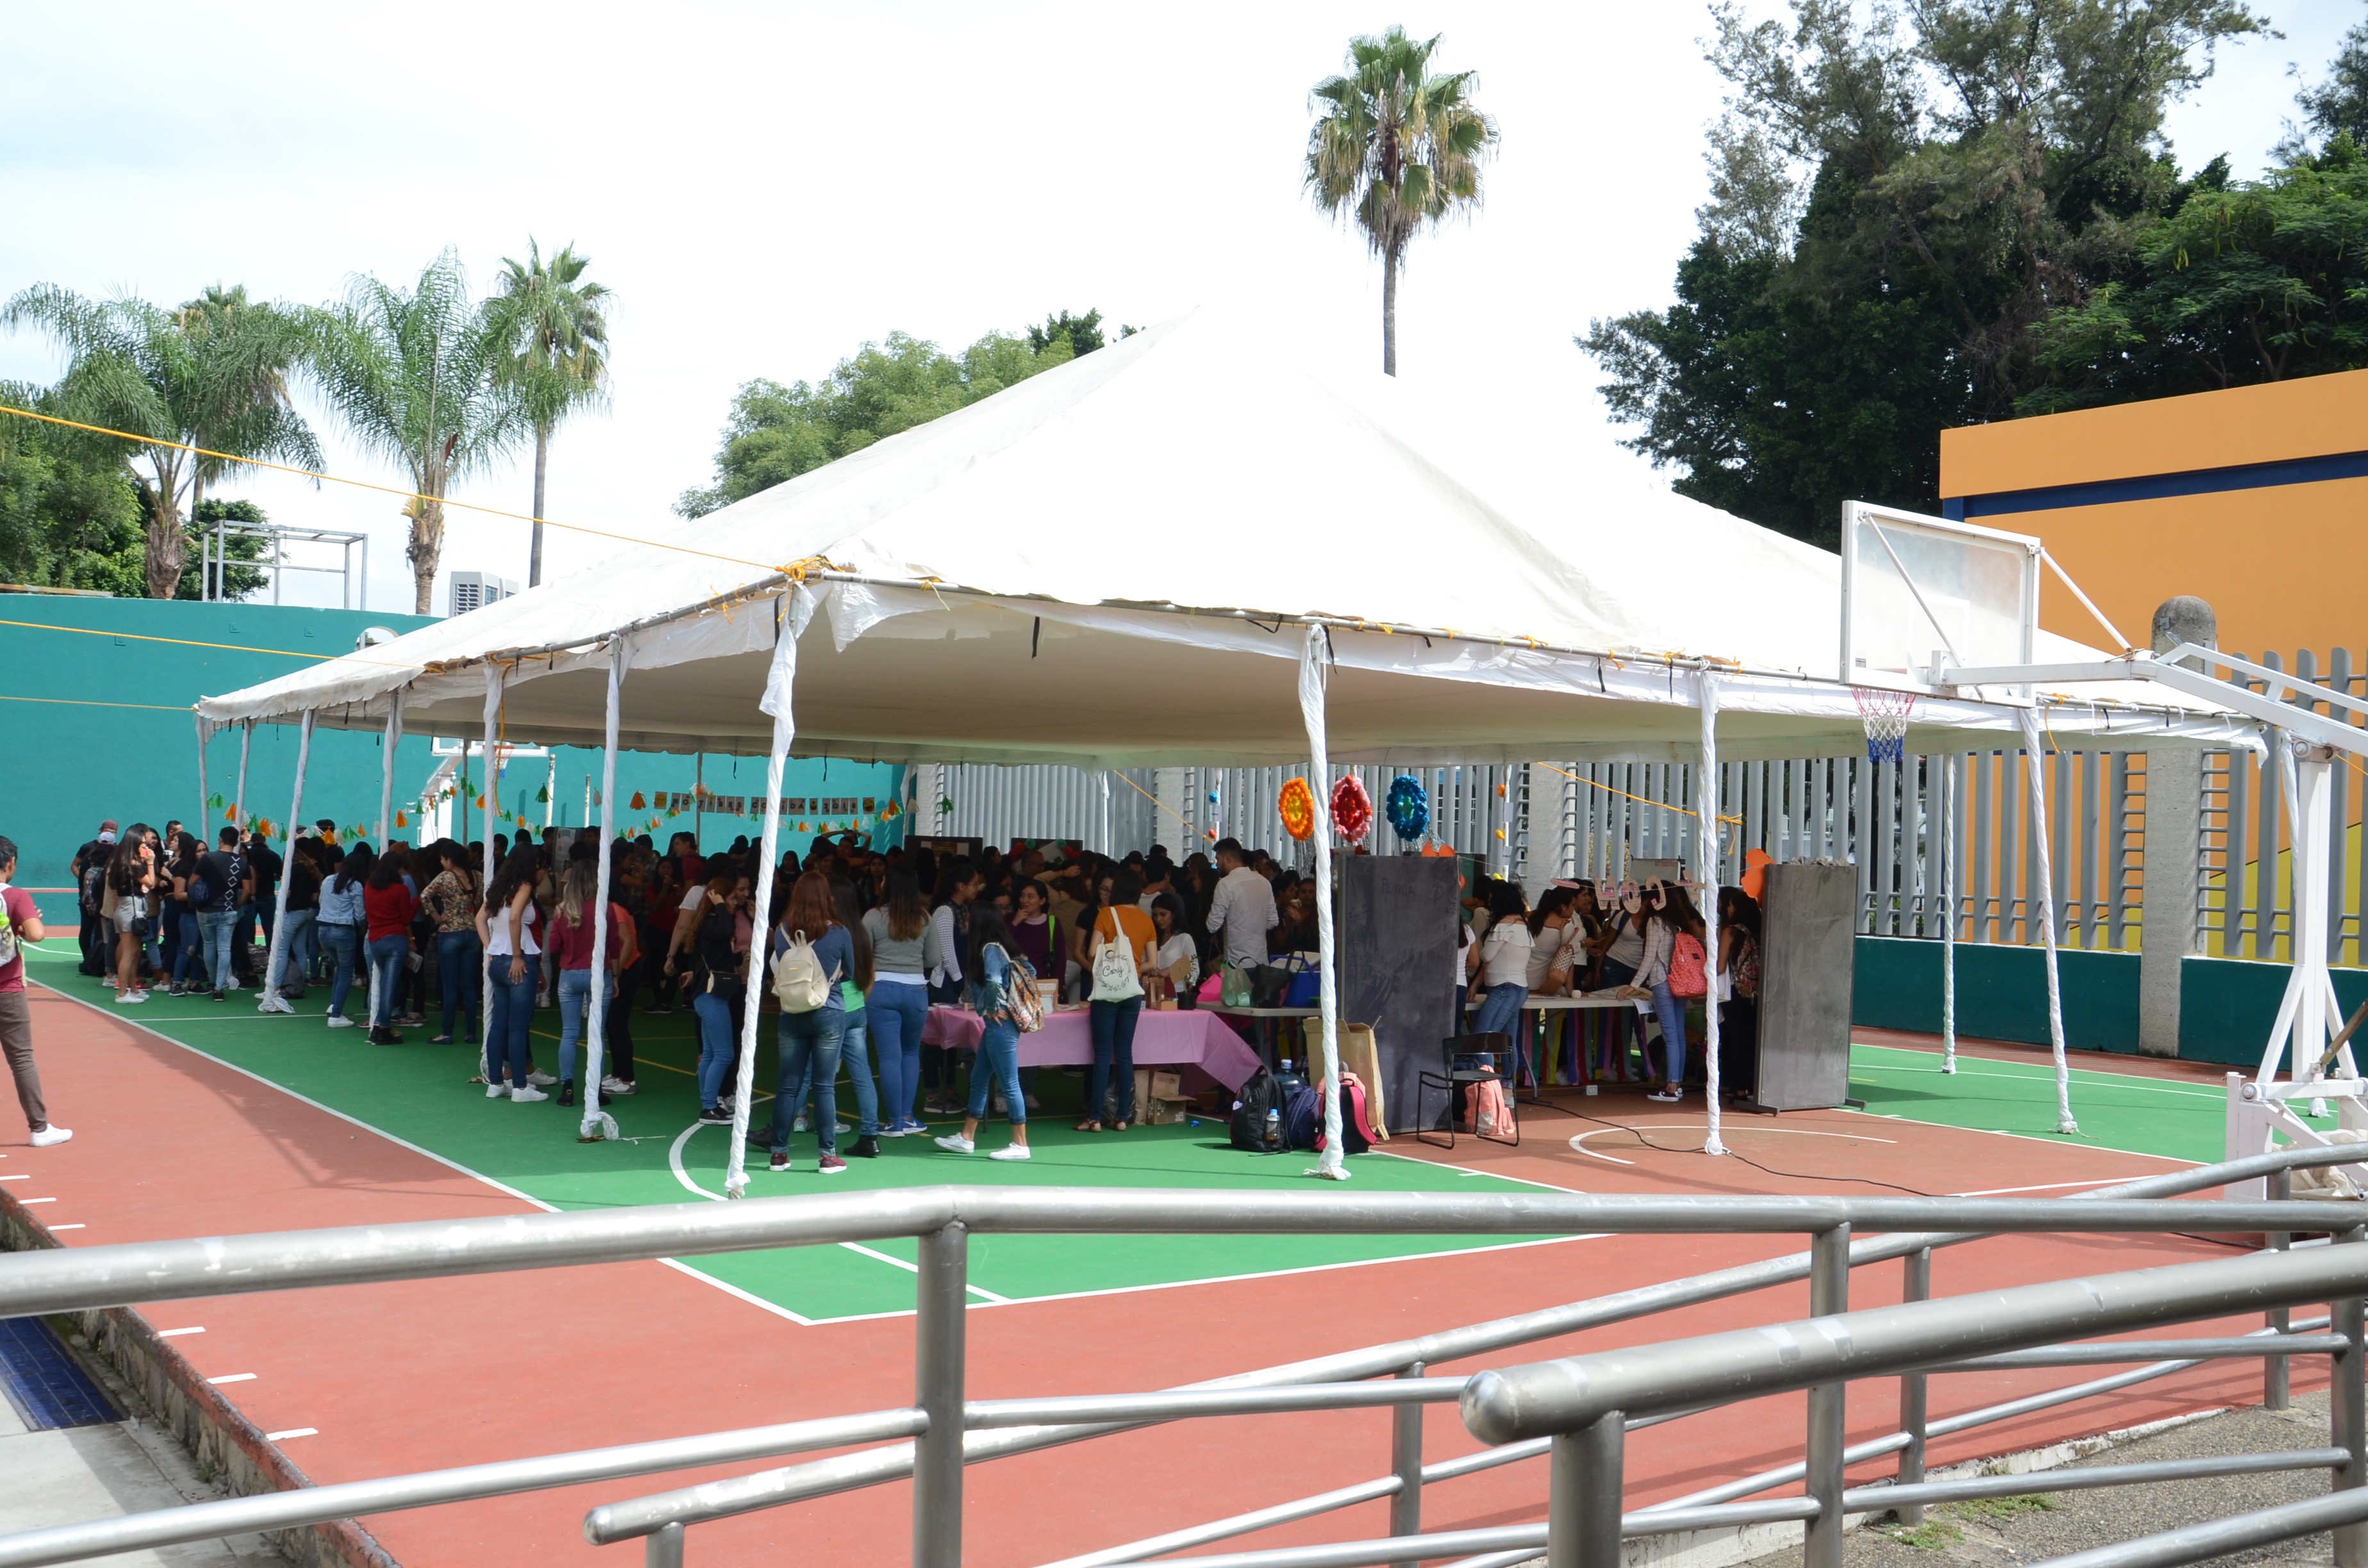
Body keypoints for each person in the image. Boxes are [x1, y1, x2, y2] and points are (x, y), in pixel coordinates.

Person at [766, 872, 855, 1175]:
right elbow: (852, 971)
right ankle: (827, 1156)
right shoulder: (839, 932)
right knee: (824, 1086)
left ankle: (779, 1153)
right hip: (829, 1009)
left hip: (791, 1012)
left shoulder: (782, 932)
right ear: (826, 896)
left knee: (788, 1086)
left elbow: (779, 967)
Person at [934, 903, 1032, 1161]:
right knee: (979, 1078)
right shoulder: (1004, 948)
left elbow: (993, 981)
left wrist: (991, 1008)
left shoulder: (989, 949)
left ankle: (1020, 1143)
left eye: (968, 917)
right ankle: (967, 1137)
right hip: (999, 1025)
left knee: (1009, 1082)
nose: (965, 922)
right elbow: (1029, 971)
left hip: (1000, 1025)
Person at [547, 858, 633, 1109]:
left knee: (569, 1033)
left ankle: (568, 1087)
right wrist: (616, 975)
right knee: (597, 1035)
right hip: (598, 973)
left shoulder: (563, 909)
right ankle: (594, 1089)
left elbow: (553, 946)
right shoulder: (604, 908)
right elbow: (614, 944)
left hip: (570, 973)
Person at [861, 872, 941, 1136]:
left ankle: (894, 1121)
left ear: (888, 885)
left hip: (882, 989)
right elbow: (933, 958)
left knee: (889, 1056)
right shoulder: (924, 918)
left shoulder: (873, 916)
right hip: (916, 989)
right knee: (910, 1053)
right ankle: (908, 1116)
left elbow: (863, 954)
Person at [0, 838, 67, 1147]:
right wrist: (23, 927)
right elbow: (37, 934)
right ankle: (39, 1128)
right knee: (22, 1059)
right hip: (7, 990)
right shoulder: (15, 896)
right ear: (11, 862)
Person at [1082, 868, 1156, 1132]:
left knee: (1102, 1055)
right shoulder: (1147, 921)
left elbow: (1092, 952)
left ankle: (1095, 1118)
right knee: (1125, 1054)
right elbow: (1154, 963)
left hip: (1106, 993)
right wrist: (1133, 967)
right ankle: (1124, 1117)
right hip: (1132, 993)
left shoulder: (1105, 914)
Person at [1626, 879, 1706, 1104]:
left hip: (1663, 981)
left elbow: (1650, 958)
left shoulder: (1656, 921)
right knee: (1679, 1035)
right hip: (1682, 982)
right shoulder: (1681, 922)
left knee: (1670, 1036)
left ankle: (1671, 1086)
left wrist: (1633, 985)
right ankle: (1677, 1083)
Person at [478, 844, 547, 1100]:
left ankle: (496, 1083)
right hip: (518, 959)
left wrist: (491, 948)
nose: (543, 870)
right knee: (518, 1028)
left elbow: (480, 920)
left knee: (499, 1025)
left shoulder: (498, 887)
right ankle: (520, 1086)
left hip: (497, 960)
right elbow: (516, 917)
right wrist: (517, 955)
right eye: (541, 865)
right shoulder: (525, 885)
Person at [678, 872, 746, 1126]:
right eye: (730, 897)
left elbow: (718, 958)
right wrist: (719, 903)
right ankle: (709, 1106)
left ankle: (708, 1103)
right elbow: (727, 930)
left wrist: (741, 959)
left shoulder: (705, 923)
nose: (734, 902)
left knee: (709, 1053)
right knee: (724, 1054)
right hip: (712, 997)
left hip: (707, 995)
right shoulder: (714, 921)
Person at [422, 840, 481, 1045]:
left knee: (449, 986)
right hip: (473, 933)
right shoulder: (477, 877)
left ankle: (447, 1032)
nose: (441, 862)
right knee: (469, 985)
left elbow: (425, 896)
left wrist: (438, 918)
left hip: (450, 932)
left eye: (443, 859)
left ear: (449, 860)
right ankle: (471, 1032)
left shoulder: (446, 877)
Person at [1472, 882, 1534, 1077]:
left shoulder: (1503, 925)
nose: (1490, 902)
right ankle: (1507, 1089)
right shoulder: (1522, 924)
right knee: (1508, 1041)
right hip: (1517, 987)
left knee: (1483, 1039)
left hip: (1502, 989)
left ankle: (1489, 1088)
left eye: (1492, 899)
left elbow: (1486, 957)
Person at [363, 847, 419, 1045]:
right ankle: (383, 1026)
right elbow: (406, 918)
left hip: (375, 938)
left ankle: (379, 1024)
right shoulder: (401, 889)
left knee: (384, 981)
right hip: (395, 938)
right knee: (391, 984)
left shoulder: (370, 885)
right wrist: (417, 902)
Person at [1203, 838, 1278, 974]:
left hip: (1235, 965)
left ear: (1227, 858)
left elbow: (1212, 925)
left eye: (1218, 859)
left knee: (1236, 996)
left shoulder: (1226, 884)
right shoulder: (1264, 882)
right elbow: (1274, 921)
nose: (1217, 864)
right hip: (1261, 960)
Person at [1716, 886, 1763, 1097]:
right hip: (1755, 990)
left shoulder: (1731, 930)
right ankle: (1752, 1084)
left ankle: (1738, 1085)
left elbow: (1720, 967)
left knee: (1735, 1039)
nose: (1728, 908)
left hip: (1735, 990)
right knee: (1751, 1038)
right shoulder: (1758, 929)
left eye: (1731, 905)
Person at [317, 844, 370, 1027]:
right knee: (346, 970)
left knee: (340, 967)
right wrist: (362, 927)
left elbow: (321, 902)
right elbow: (360, 914)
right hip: (344, 930)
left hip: (324, 930)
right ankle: (336, 1014)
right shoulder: (355, 886)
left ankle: (334, 1005)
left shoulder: (328, 880)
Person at [105, 826, 158, 1004]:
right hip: (131, 909)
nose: (146, 847)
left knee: (135, 951)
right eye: (143, 843)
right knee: (129, 953)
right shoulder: (133, 864)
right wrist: (150, 862)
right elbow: (151, 883)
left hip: (128, 907)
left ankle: (133, 990)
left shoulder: (122, 861)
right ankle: (122, 993)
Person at [275, 839, 322, 1000]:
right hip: (308, 912)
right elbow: (315, 896)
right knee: (301, 950)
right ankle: (299, 984)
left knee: (282, 950)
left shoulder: (293, 870)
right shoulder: (312, 869)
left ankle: (276, 986)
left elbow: (287, 894)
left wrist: (283, 886)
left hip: (294, 912)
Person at [71, 821, 115, 976]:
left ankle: (96, 961)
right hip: (92, 899)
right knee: (91, 930)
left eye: (113, 831)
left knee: (100, 933)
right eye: (107, 831)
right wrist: (86, 883)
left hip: (100, 900)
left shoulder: (114, 853)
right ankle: (90, 961)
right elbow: (75, 866)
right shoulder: (88, 848)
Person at [162, 833, 203, 997]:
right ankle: (175, 982)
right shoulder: (184, 868)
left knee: (199, 950)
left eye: (205, 850)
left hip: (202, 914)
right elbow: (179, 894)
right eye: (199, 851)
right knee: (186, 948)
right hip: (187, 913)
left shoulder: (204, 868)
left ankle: (195, 982)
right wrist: (200, 895)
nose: (203, 854)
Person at [1149, 892, 1200, 1004]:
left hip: (1177, 995)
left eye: (1163, 915)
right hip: (1154, 995)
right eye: (1155, 915)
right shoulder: (1152, 939)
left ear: (1174, 914)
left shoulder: (1184, 938)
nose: (1159, 919)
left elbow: (1193, 966)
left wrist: (1169, 971)